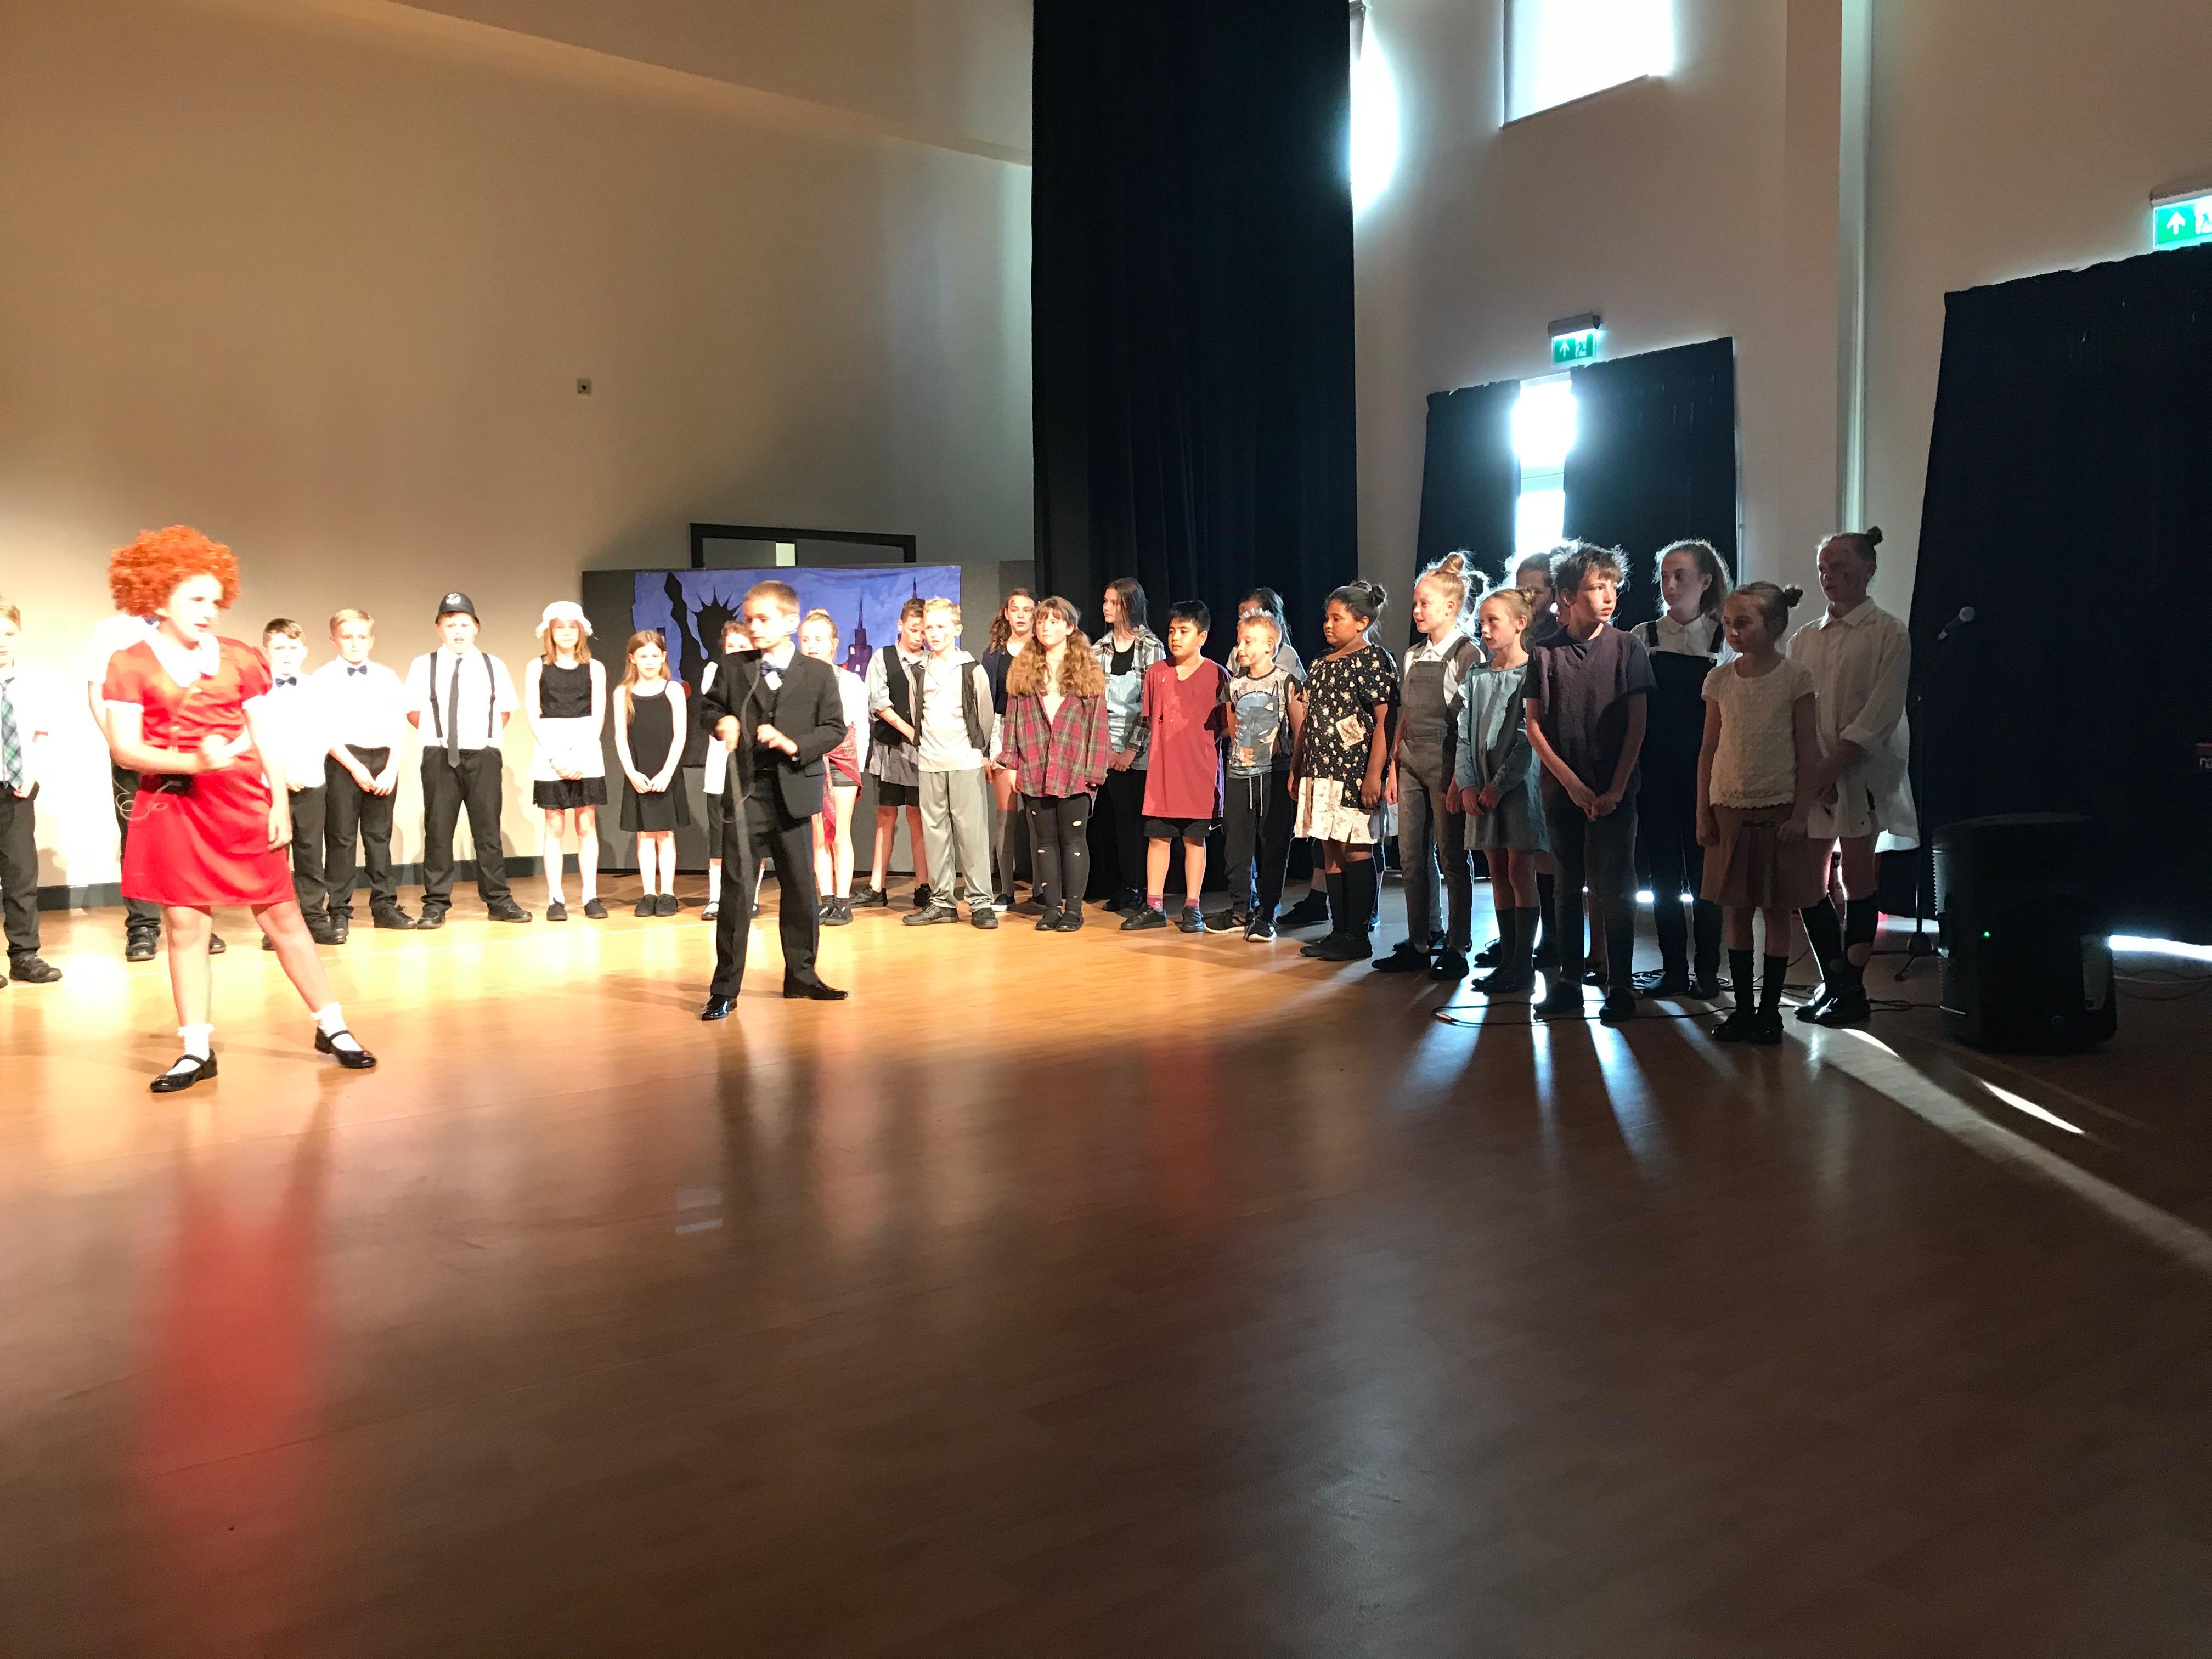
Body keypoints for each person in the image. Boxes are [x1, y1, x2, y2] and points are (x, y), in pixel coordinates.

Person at [98, 526, 375, 1090]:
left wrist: (279, 802)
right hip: (174, 805)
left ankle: (333, 1026)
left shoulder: (242, 658)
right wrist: (193, 762)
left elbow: (266, 735)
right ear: (157, 599)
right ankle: (196, 1050)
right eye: (195, 599)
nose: (209, 611)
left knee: (282, 914)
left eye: (214, 599)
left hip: (240, 800)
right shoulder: (129, 663)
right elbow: (123, 747)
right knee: (185, 925)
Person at [698, 580, 849, 1017]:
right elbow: (708, 708)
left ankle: (802, 976)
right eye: (749, 619)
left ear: (790, 621)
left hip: (794, 791)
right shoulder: (733, 667)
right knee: (736, 892)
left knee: (801, 889)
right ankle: (725, 988)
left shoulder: (818, 673)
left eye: (764, 619)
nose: (755, 627)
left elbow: (834, 728)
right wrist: (722, 722)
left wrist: (793, 744)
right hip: (746, 793)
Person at [1790, 528, 1916, 1029]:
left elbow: (1882, 709)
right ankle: (1834, 977)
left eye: (1841, 566)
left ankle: (1853, 987)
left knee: (1856, 872)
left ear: (1868, 570)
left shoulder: (1889, 633)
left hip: (1860, 768)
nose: (1830, 576)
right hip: (1814, 771)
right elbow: (1796, 709)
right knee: (1808, 878)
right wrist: (1811, 767)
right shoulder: (1805, 638)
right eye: (1824, 568)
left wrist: (1836, 762)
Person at [1525, 543, 1655, 1024]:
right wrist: (1572, 786)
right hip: (1564, 792)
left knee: (1615, 888)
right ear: (1567, 596)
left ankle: (1620, 985)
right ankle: (1569, 983)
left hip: (1614, 791)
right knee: (1566, 887)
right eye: (1597, 587)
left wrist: (1615, 788)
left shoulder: (1627, 647)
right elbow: (1534, 726)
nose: (1609, 595)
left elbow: (1637, 724)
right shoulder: (1544, 652)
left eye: (1613, 586)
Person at [1699, 583, 1824, 1044]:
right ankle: (1743, 1010)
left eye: (1743, 623)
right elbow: (1709, 749)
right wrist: (1703, 811)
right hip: (1728, 805)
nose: (1733, 632)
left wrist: (1801, 814)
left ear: (1774, 625)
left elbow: (1808, 750)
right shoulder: (1720, 680)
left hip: (1779, 807)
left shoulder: (1795, 678)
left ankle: (1770, 1011)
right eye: (1728, 624)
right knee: (1736, 909)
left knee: (1775, 910)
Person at [86, 599, 225, 960]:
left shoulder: (188, 628)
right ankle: (142, 926)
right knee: (137, 836)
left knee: (191, 833)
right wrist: (119, 745)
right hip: (134, 750)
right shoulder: (112, 631)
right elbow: (97, 691)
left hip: (185, 751)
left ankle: (194, 918)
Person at [1375, 552, 1482, 980]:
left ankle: (1457, 945)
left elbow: (1470, 721)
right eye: (1415, 604)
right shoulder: (1412, 655)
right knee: (1411, 856)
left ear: (1451, 607)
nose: (1417, 611)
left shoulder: (1467, 653)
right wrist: (1392, 766)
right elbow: (1404, 715)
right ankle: (1420, 940)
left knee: (1452, 855)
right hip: (1410, 764)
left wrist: (1461, 776)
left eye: (1425, 603)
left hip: (1447, 764)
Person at [1631, 539, 1731, 997]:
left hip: (1707, 775)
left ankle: (1708, 972)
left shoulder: (1724, 639)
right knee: (1664, 877)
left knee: (1706, 877)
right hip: (1656, 772)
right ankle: (1673, 970)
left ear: (1706, 581)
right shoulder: (1644, 636)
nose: (1670, 585)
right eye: (1665, 577)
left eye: (1681, 576)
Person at [405, 592, 528, 927]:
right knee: (438, 831)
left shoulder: (493, 665)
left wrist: (481, 740)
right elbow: (413, 711)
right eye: (450, 624)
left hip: (483, 756)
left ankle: (498, 900)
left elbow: (504, 711)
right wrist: (442, 737)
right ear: (438, 629)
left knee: (487, 832)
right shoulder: (423, 664)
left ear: (476, 628)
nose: (458, 631)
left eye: (464, 624)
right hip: (439, 755)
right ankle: (435, 903)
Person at [1291, 581, 1397, 962]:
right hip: (1319, 771)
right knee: (1330, 849)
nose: (1329, 625)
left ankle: (1358, 934)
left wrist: (1375, 774)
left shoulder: (1374, 660)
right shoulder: (1321, 663)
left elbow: (1384, 721)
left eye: (1338, 618)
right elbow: (1308, 722)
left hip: (1353, 773)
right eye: (1327, 618)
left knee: (1356, 849)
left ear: (1362, 622)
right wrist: (1296, 767)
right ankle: (1338, 931)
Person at [1453, 586, 1547, 992]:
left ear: (1520, 623)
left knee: (1519, 868)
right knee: (1496, 869)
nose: (1486, 630)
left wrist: (1499, 784)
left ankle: (1523, 964)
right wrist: (1468, 783)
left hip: (1518, 788)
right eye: (1482, 623)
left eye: (1494, 621)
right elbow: (1464, 734)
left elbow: (1528, 737)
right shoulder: (1477, 676)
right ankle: (1507, 959)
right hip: (1482, 786)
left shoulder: (1532, 673)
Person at [997, 596, 1109, 932]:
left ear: (1070, 627)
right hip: (1035, 765)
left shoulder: (1086, 670)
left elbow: (1098, 725)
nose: (1046, 626)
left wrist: (1094, 772)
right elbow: (1012, 720)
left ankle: (1073, 910)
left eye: (1054, 621)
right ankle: (1051, 908)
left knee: (1073, 840)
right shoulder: (1024, 667)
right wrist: (1011, 763)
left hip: (1074, 767)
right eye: (1042, 621)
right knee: (1044, 842)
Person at [1124, 601, 1229, 933]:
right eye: (1172, 631)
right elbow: (1150, 720)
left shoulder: (1217, 674)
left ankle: (1192, 906)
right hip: (1163, 773)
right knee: (1158, 838)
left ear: (1202, 637)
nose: (1176, 638)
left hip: (1200, 772)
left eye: (1184, 631)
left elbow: (1227, 726)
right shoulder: (1157, 673)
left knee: (1194, 841)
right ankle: (1154, 905)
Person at [902, 597, 1000, 930]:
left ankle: (981, 902)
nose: (934, 633)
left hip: (964, 761)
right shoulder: (919, 671)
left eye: (941, 626)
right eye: (929, 627)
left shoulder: (971, 669)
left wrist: (976, 751)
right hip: (930, 763)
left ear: (957, 629)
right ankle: (942, 901)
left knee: (971, 834)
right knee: (936, 834)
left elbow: (985, 717)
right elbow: (917, 713)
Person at [315, 608, 413, 934]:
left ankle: (384, 905)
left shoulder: (386, 676)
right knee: (341, 837)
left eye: (361, 637)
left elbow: (399, 726)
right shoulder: (323, 678)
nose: (355, 643)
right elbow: (323, 730)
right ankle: (339, 909)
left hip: (383, 760)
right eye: (347, 637)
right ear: (334, 640)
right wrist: (355, 767)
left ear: (371, 640)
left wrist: (391, 769)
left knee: (379, 837)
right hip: (344, 761)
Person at [1209, 609, 1304, 941]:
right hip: (1241, 775)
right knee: (1237, 845)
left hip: (1275, 775)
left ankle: (1267, 914)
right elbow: (1233, 728)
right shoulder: (1235, 685)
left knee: (1274, 844)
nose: (1241, 648)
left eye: (1248, 642)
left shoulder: (1286, 682)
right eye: (1239, 642)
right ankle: (1240, 909)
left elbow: (1300, 730)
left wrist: (1295, 771)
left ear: (1269, 646)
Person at [256, 619, 342, 948]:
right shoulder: (258, 691)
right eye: (279, 647)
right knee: (275, 856)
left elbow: (325, 734)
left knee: (311, 854)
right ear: (266, 651)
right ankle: (276, 926)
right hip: (271, 784)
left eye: (293, 647)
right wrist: (281, 774)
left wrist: (304, 770)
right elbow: (256, 738)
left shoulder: (317, 688)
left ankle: (315, 918)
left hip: (310, 781)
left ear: (304, 651)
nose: (287, 654)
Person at [524, 601, 608, 923]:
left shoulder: (595, 668)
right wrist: (555, 756)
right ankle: (555, 898)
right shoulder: (536, 667)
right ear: (550, 632)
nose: (566, 632)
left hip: (586, 748)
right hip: (551, 749)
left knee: (586, 824)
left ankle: (591, 895)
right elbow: (534, 715)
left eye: (572, 626)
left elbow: (598, 715)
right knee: (554, 824)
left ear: (581, 631)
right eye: (560, 627)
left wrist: (583, 755)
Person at [1091, 578, 1164, 915]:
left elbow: (1153, 705)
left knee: (1142, 820)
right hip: (1110, 747)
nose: (1106, 607)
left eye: (1113, 602)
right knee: (1120, 820)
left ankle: (1147, 890)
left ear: (1129, 606)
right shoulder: (1099, 648)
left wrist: (1131, 751)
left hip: (1143, 748)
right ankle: (1127, 886)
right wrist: (1108, 749)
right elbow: (1094, 703)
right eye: (1105, 601)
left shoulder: (1151, 646)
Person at [0, 598, 61, 986]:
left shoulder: (33, 683)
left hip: (16, 788)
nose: (2, 641)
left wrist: (33, 772)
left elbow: (43, 732)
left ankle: (25, 956)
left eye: (8, 633)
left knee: (21, 873)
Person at [857, 599, 932, 910]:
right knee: (886, 815)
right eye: (914, 630)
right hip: (891, 750)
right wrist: (910, 731)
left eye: (924, 631)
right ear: (901, 626)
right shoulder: (883, 657)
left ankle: (923, 884)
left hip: (921, 754)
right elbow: (878, 702)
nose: (919, 637)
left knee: (917, 816)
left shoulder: (931, 660)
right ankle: (877, 886)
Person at [798, 608, 870, 926]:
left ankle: (843, 901)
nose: (812, 645)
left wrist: (858, 766)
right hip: (810, 762)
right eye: (806, 640)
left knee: (840, 833)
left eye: (818, 639)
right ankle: (825, 900)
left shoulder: (850, 681)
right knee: (818, 836)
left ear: (834, 644)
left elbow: (860, 727)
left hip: (843, 761)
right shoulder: (794, 682)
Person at [614, 629, 689, 917]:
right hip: (639, 772)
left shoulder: (672, 690)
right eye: (643, 656)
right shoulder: (623, 693)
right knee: (645, 835)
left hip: (666, 771)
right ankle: (648, 893)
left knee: (665, 834)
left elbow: (680, 735)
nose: (649, 661)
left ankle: (667, 893)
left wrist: (667, 773)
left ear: (663, 658)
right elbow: (621, 738)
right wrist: (632, 773)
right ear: (632, 658)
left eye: (654, 656)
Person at [980, 588, 1036, 909]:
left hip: (1037, 730)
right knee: (1006, 813)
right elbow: (987, 704)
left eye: (1027, 610)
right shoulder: (994, 654)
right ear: (1006, 613)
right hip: (1003, 730)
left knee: (1039, 814)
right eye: (1015, 609)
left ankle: (1043, 888)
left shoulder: (1044, 649)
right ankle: (1006, 889)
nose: (1021, 615)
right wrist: (986, 750)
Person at [698, 618, 751, 921]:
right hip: (720, 765)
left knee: (750, 837)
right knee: (719, 837)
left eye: (743, 645)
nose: (736, 651)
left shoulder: (762, 675)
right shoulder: (714, 672)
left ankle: (749, 898)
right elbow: (713, 715)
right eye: (731, 646)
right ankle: (716, 898)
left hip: (750, 767)